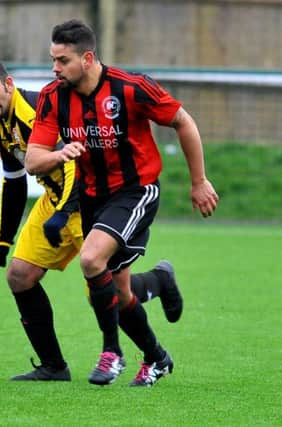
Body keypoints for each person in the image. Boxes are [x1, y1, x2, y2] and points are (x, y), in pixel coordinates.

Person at [0, 53, 184, 381]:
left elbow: (74, 163)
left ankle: (157, 305)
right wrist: (3, 239)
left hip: (86, 201)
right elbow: (13, 183)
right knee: (19, 276)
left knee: (110, 292)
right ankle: (54, 366)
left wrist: (65, 213)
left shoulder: (39, 109)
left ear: (8, 84)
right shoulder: (4, 129)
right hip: (54, 203)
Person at [25, 19, 219, 387]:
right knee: (119, 291)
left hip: (136, 190)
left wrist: (199, 182)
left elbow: (183, 122)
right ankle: (157, 357)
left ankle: (111, 352)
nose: (54, 68)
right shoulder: (54, 97)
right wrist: (60, 153)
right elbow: (33, 159)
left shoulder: (131, 88)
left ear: (87, 58)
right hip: (94, 196)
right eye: (52, 60)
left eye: (62, 60)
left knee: (90, 259)